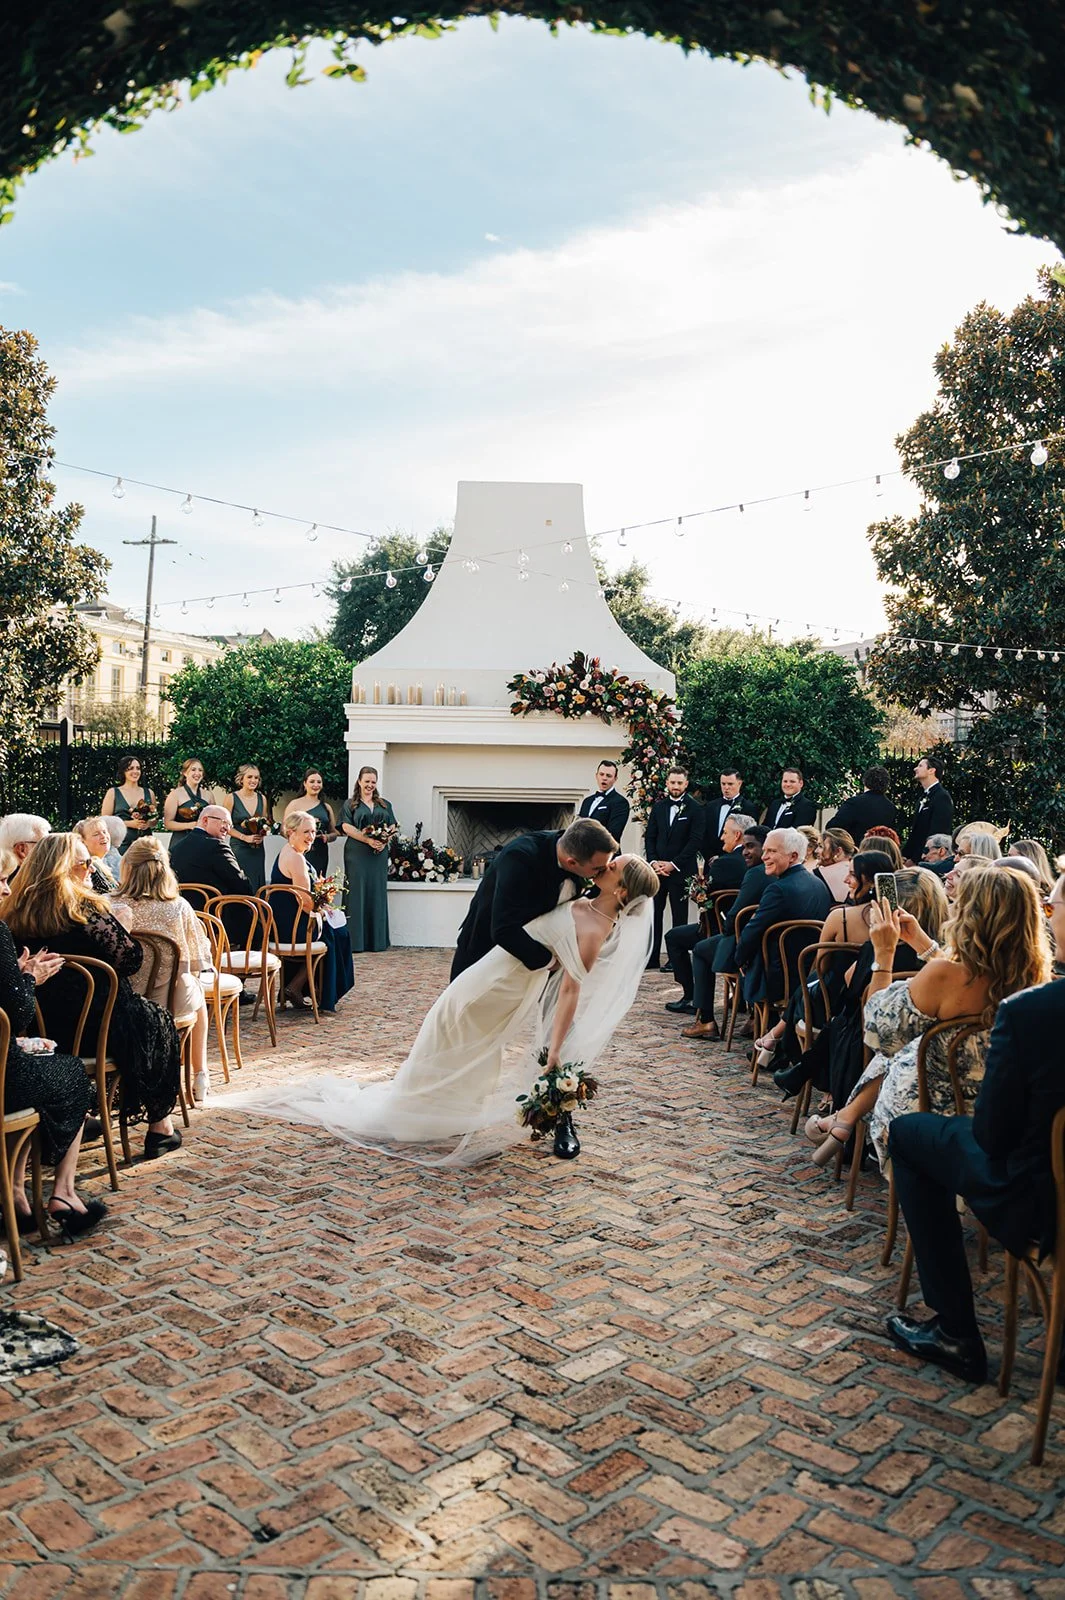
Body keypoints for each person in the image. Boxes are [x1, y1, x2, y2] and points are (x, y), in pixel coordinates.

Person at [224, 855, 660, 1167]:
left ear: (620, 890)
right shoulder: (581, 895)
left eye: (614, 867)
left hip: (507, 987)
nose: (605, 865)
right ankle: (424, 1109)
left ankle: (423, 1112)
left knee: (463, 1039)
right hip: (490, 970)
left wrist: (558, 1049)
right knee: (444, 1029)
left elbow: (569, 992)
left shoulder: (596, 930)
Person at [885, 871, 1065, 1383]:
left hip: (1034, 1197)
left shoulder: (1033, 1012)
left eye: (1055, 907)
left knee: (911, 1134)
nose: (1051, 916)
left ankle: (956, 1329)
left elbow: (992, 1135)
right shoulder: (1040, 988)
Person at [805, 866, 1052, 1170]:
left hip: (934, 1106)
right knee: (912, 1045)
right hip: (1003, 1110)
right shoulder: (1040, 980)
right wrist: (923, 943)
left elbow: (879, 1032)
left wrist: (884, 955)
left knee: (900, 1048)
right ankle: (844, 1117)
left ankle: (846, 1117)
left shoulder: (945, 974)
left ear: (969, 914)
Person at [1, 833, 183, 1159]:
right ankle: (160, 1128)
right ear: (61, 868)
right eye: (84, 863)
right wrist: (123, 927)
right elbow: (131, 961)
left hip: (44, 1028)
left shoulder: (13, 911)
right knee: (156, 1023)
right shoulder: (85, 908)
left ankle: (83, 1116)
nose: (90, 869)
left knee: (144, 1020)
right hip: (99, 1029)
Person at [0, 847, 102, 1238]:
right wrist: (29, 979)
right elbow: (18, 1012)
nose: (8, 891)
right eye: (2, 880)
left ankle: (14, 1193)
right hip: (3, 1078)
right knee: (71, 1072)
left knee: (38, 1065)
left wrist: (17, 974)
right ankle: (63, 1193)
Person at [111, 837, 214, 1106]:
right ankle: (200, 1073)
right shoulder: (177, 907)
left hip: (117, 999)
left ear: (127, 867)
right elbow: (196, 960)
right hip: (164, 1002)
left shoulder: (107, 904)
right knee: (197, 991)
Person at [451, 817, 617, 982]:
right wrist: (551, 962)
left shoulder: (574, 849)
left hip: (529, 965)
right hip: (484, 952)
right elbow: (504, 929)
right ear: (572, 862)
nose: (601, 873)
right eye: (598, 869)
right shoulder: (519, 858)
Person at [736, 827, 831, 1027]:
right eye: (765, 851)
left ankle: (764, 1028)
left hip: (779, 979)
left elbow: (752, 931)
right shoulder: (819, 885)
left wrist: (739, 960)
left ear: (793, 856)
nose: (764, 857)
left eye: (772, 851)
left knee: (742, 959)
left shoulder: (778, 889)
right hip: (811, 974)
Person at [663, 814, 755, 1014]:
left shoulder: (724, 863)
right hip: (748, 930)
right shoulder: (757, 864)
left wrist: (697, 891)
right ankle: (737, 1000)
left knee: (673, 937)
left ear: (737, 835)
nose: (721, 837)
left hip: (718, 929)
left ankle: (691, 997)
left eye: (725, 833)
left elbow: (705, 895)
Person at [270, 812, 354, 1014]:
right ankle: (308, 990)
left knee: (334, 931)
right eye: (306, 831)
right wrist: (324, 911)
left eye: (314, 832)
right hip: (293, 929)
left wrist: (323, 905)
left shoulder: (287, 851)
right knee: (338, 935)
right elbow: (306, 903)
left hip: (284, 924)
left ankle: (297, 986)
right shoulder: (296, 858)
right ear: (291, 832)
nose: (311, 836)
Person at [644, 767, 703, 969]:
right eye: (672, 782)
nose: (675, 786)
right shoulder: (659, 807)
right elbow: (650, 837)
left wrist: (673, 864)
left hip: (681, 871)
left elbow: (694, 841)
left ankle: (675, 959)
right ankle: (651, 957)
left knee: (680, 916)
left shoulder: (695, 809)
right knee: (654, 914)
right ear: (667, 783)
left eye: (679, 782)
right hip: (657, 872)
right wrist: (654, 862)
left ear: (686, 784)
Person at [340, 766, 398, 954]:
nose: (370, 785)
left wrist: (384, 840)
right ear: (359, 781)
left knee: (376, 891)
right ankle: (355, 941)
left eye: (373, 782)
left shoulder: (384, 804)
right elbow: (346, 827)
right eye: (367, 781)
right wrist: (367, 840)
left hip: (378, 855)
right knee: (356, 893)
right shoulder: (350, 804)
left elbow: (393, 826)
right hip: (356, 853)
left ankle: (376, 941)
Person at [819, 849, 896, 948]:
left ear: (873, 881)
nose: (845, 880)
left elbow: (821, 961)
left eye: (853, 875)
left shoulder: (839, 917)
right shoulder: (897, 919)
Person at [173, 807, 251, 900]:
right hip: (211, 910)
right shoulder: (217, 846)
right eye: (224, 822)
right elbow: (241, 885)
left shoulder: (175, 848)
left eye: (230, 825)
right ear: (205, 820)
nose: (227, 828)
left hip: (184, 910)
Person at [164, 758, 211, 880]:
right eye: (193, 769)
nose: (197, 773)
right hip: (181, 842)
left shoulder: (208, 795)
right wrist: (190, 825)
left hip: (202, 843)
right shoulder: (175, 794)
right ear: (185, 773)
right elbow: (168, 823)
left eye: (200, 770)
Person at [283, 770, 337, 878]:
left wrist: (327, 837)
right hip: (300, 851)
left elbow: (334, 832)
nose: (316, 785)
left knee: (318, 884)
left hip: (320, 852)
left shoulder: (326, 807)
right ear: (305, 783)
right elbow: (284, 830)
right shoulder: (295, 804)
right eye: (312, 781)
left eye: (319, 782)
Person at [902, 755, 954, 865]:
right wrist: (905, 855)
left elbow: (937, 833)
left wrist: (916, 859)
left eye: (920, 766)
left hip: (928, 858)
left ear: (931, 770)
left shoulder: (941, 797)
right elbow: (916, 832)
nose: (915, 769)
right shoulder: (924, 796)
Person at [227, 764, 270, 893]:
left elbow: (263, 823)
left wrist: (263, 834)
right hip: (239, 847)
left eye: (256, 777)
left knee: (257, 883)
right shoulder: (231, 798)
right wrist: (244, 837)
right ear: (241, 779)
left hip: (257, 850)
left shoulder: (262, 798)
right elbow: (225, 826)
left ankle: (258, 911)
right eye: (249, 777)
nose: (253, 780)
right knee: (240, 882)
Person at [101, 756, 157, 853]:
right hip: (121, 844)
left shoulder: (149, 793)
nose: (135, 771)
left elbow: (155, 819)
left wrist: (148, 824)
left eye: (138, 768)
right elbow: (105, 821)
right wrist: (129, 824)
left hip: (145, 843)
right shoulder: (113, 792)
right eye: (130, 768)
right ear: (123, 771)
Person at [831, 766, 898, 842]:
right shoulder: (891, 808)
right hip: (881, 850)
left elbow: (833, 827)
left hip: (856, 849)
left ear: (865, 781)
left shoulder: (854, 803)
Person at [578, 760, 630, 842]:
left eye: (608, 776)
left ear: (615, 779)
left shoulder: (620, 802)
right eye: (601, 774)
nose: (604, 778)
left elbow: (613, 834)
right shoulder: (587, 801)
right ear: (596, 776)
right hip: (584, 852)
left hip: (605, 852)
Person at [702, 769, 751, 858]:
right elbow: (703, 833)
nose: (726, 787)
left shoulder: (748, 807)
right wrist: (709, 856)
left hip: (733, 859)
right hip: (709, 860)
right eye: (723, 784)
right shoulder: (710, 806)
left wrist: (723, 857)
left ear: (739, 783)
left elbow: (747, 838)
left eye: (730, 784)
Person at [75, 816, 119, 892]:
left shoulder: (105, 864)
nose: (103, 836)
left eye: (104, 832)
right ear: (82, 841)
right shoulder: (90, 869)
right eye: (96, 834)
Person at [814, 827, 857, 904]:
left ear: (838, 851)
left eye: (821, 846)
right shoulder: (861, 871)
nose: (816, 851)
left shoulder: (819, 874)